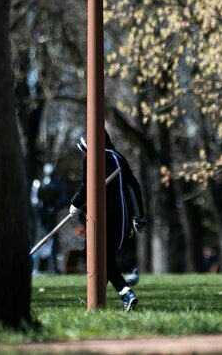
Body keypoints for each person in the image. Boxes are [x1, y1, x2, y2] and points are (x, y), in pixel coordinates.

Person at [70, 130, 145, 312]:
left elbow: (87, 186)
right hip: (123, 220)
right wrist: (139, 215)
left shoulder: (93, 157)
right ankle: (97, 303)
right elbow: (134, 186)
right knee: (105, 258)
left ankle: (124, 292)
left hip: (105, 219)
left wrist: (75, 203)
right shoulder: (120, 157)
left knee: (95, 256)